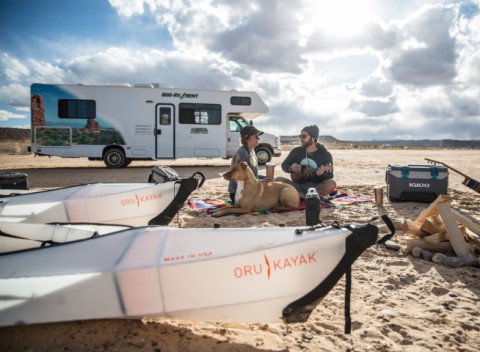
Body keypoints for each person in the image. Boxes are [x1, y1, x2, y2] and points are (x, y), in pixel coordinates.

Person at [277, 125, 336, 199]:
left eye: (304, 136)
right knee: (278, 180)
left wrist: (321, 174)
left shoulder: (325, 155)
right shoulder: (296, 151)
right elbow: (284, 165)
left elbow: (330, 175)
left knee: (331, 183)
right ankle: (307, 198)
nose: (301, 139)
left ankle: (305, 196)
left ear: (313, 138)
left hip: (316, 188)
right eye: (300, 136)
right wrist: (290, 168)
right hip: (297, 186)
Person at [228, 125, 265, 203]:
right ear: (246, 137)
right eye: (256, 136)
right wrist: (263, 181)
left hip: (248, 190)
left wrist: (267, 178)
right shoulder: (242, 153)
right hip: (239, 194)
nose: (258, 138)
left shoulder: (252, 151)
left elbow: (254, 175)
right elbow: (243, 179)